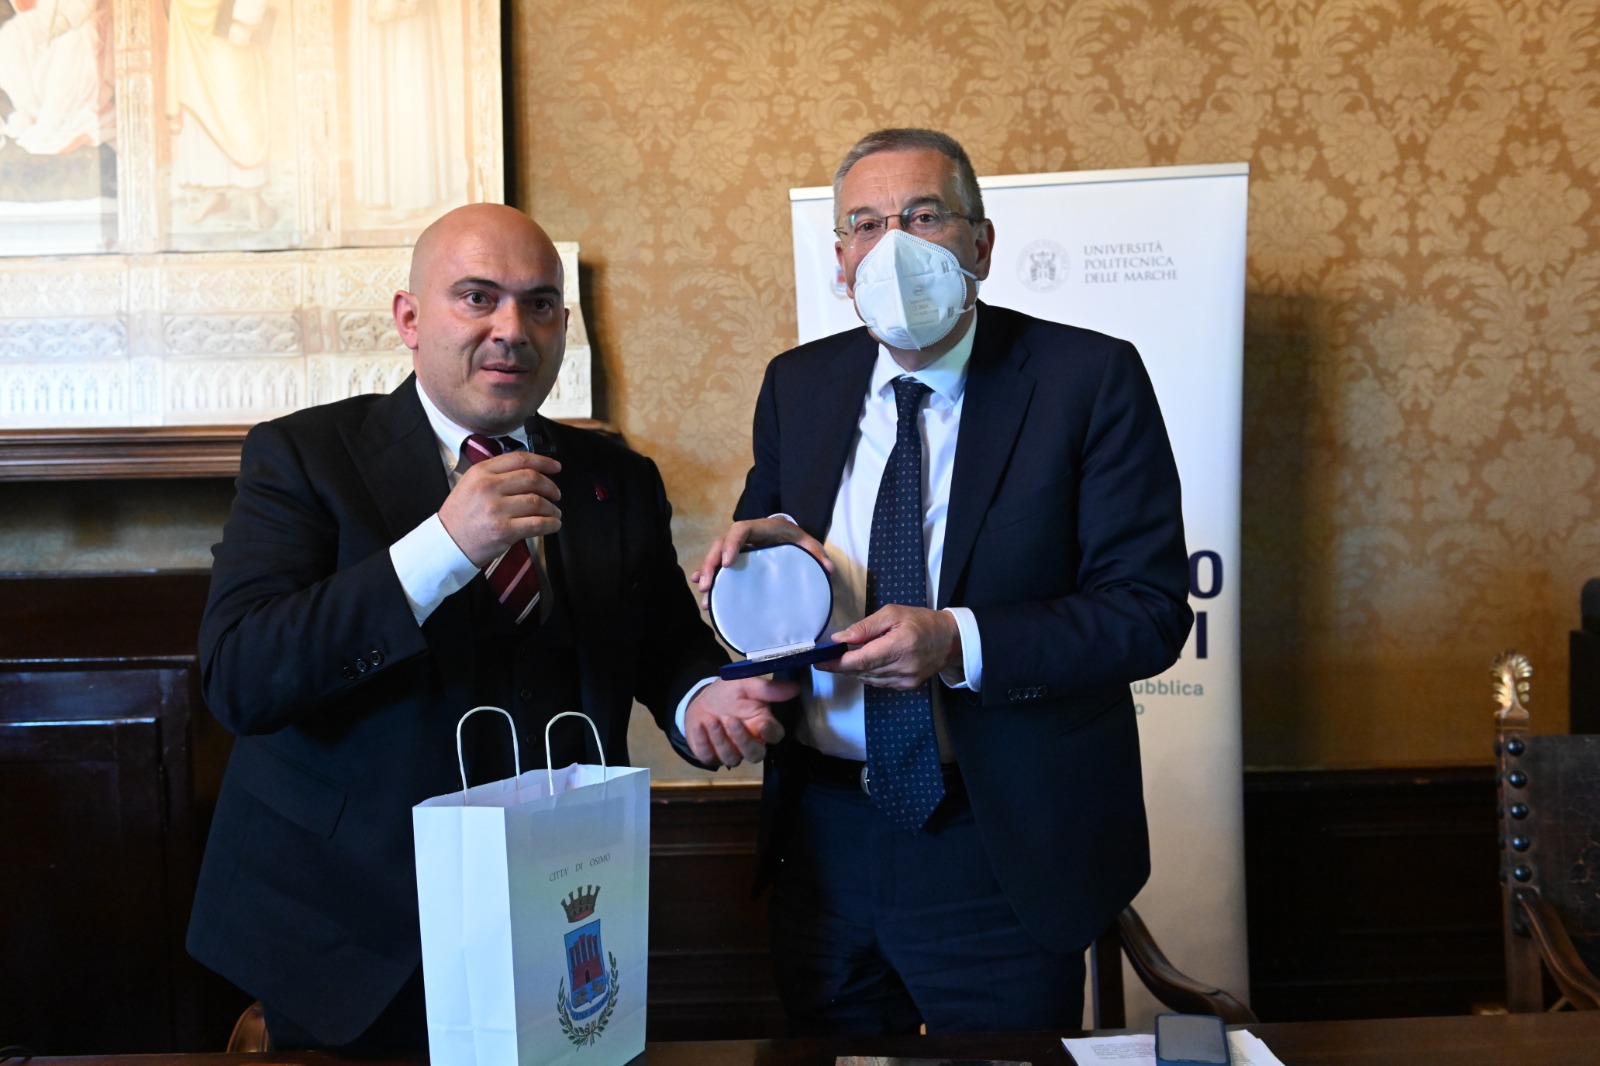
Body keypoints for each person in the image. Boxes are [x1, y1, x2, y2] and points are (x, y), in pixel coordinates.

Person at [186, 203, 793, 1051]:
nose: (511, 329)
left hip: (555, 923)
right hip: (349, 936)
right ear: (410, 318)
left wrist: (702, 701)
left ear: (563, 328)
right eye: (478, 298)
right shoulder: (303, 456)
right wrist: (444, 545)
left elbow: (662, 642)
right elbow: (243, 675)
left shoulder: (616, 477)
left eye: (539, 304)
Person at [692, 129, 1194, 1035]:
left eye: (923, 216)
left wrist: (958, 639)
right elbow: (777, 574)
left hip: (997, 840)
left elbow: (1148, 612)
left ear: (981, 244)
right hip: (823, 840)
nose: (893, 246)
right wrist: (758, 577)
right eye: (865, 225)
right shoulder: (798, 386)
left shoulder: (1087, 379)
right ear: (840, 260)